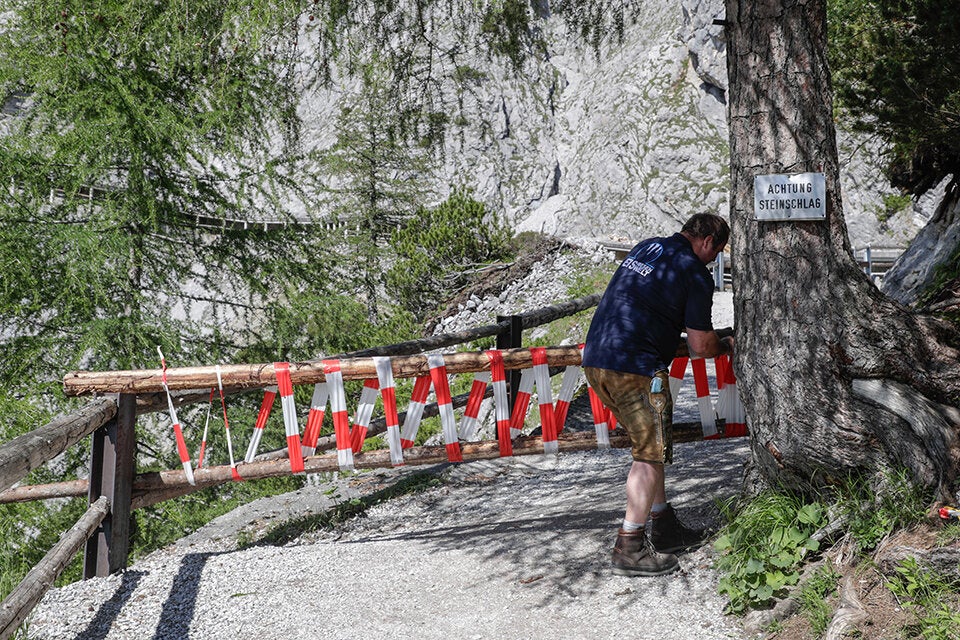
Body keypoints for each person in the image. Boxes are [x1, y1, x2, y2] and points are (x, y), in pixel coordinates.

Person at [582, 213, 733, 577]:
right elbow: (700, 346)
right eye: (718, 252)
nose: (714, 260)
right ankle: (629, 546)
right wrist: (727, 343)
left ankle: (664, 526)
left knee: (651, 446)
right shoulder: (694, 272)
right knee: (649, 455)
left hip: (597, 360)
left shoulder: (646, 247)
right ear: (708, 241)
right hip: (635, 368)